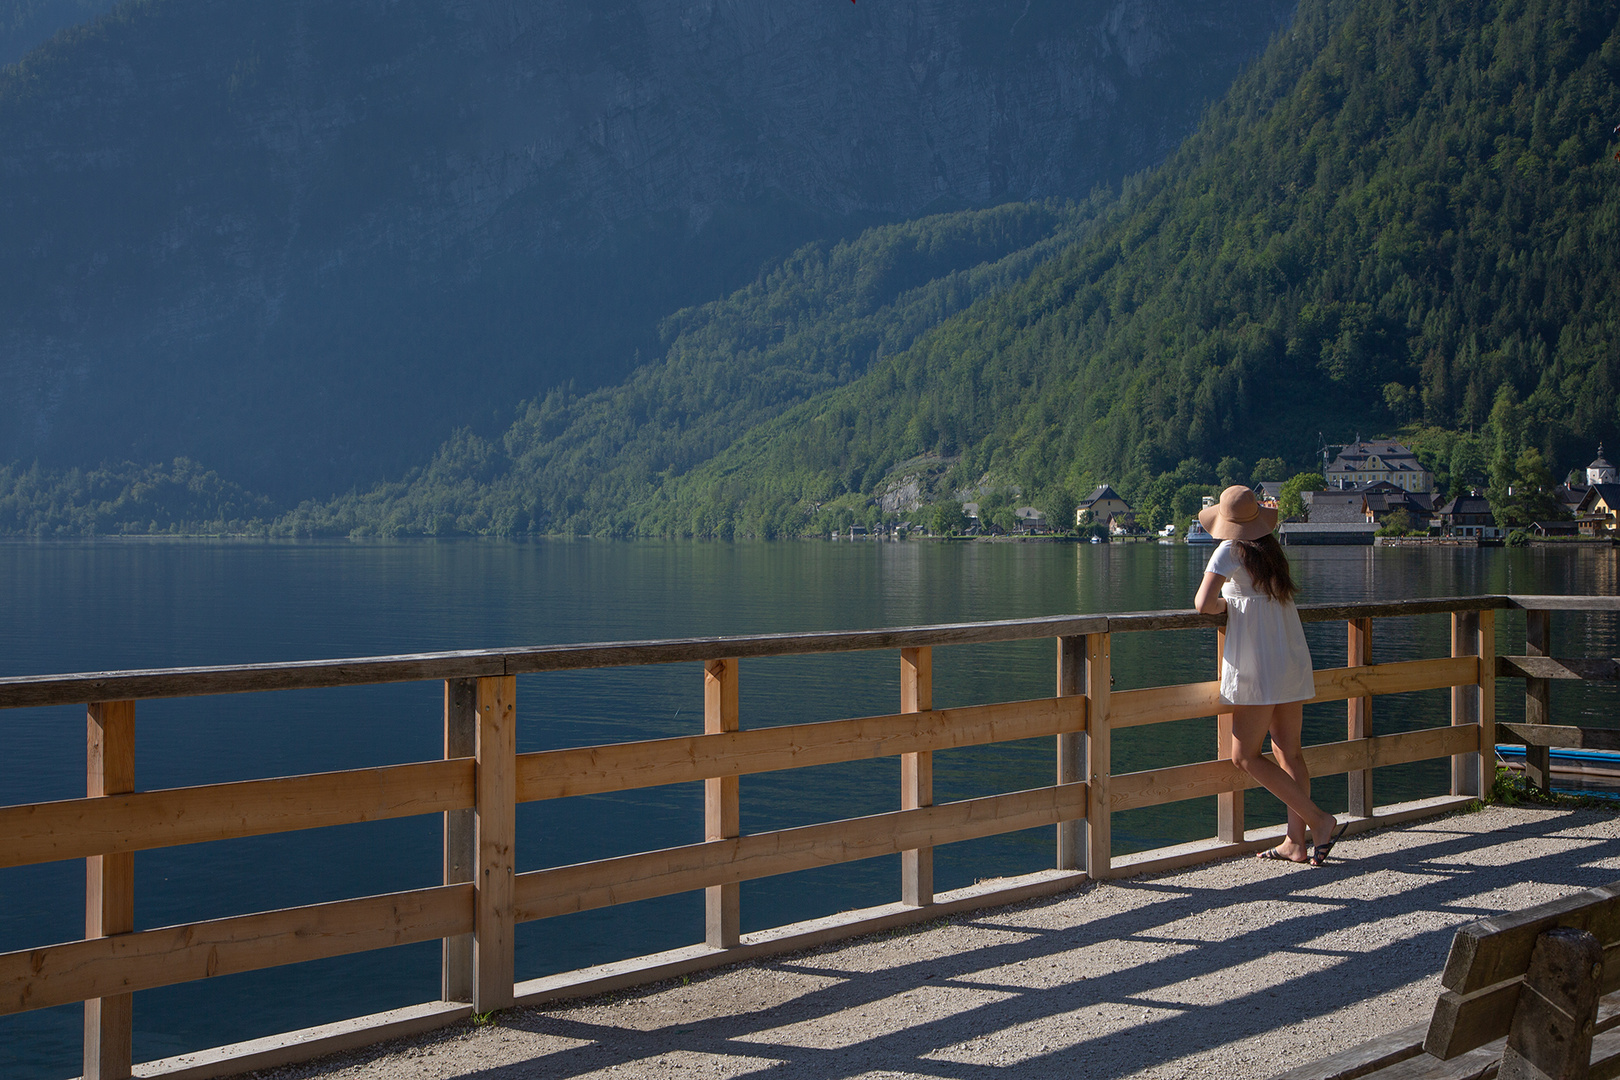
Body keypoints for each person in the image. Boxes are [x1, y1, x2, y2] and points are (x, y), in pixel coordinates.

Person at [1193, 485, 1347, 866]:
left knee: (1244, 755)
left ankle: (1319, 821)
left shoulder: (1228, 551)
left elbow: (1202, 604)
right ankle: (1295, 842)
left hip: (1256, 660)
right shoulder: (1271, 551)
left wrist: (1225, 604)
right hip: (1289, 654)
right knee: (1289, 751)